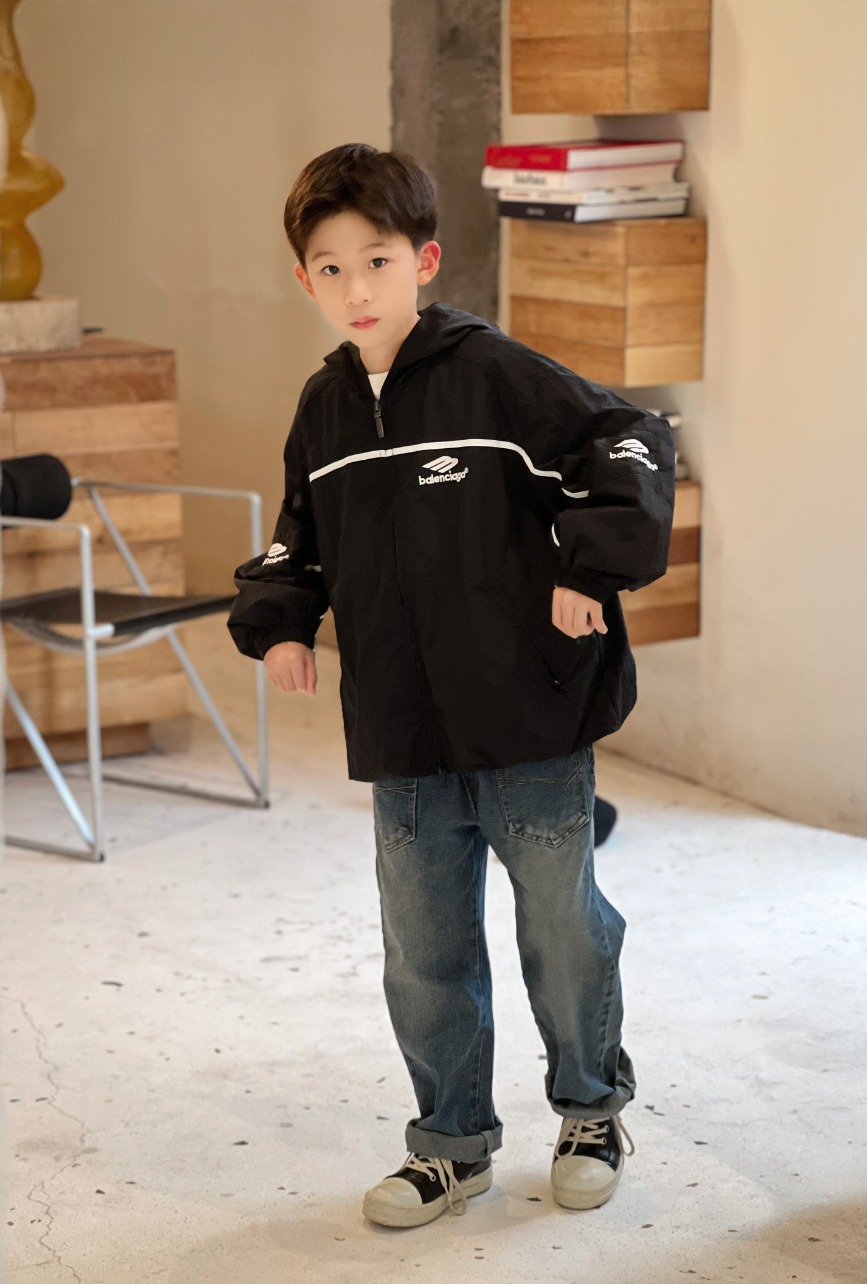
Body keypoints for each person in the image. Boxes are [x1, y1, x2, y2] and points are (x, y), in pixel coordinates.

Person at [227, 143, 675, 1228]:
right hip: (403, 729)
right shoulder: (323, 408)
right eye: (330, 269)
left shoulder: (495, 375)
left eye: (376, 261)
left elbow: (628, 439)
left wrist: (587, 571)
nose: (356, 288)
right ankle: (452, 1146)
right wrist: (282, 622)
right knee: (424, 954)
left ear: (424, 262)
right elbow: (300, 532)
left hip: (529, 717)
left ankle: (591, 1113)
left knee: (562, 935)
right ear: (304, 281)